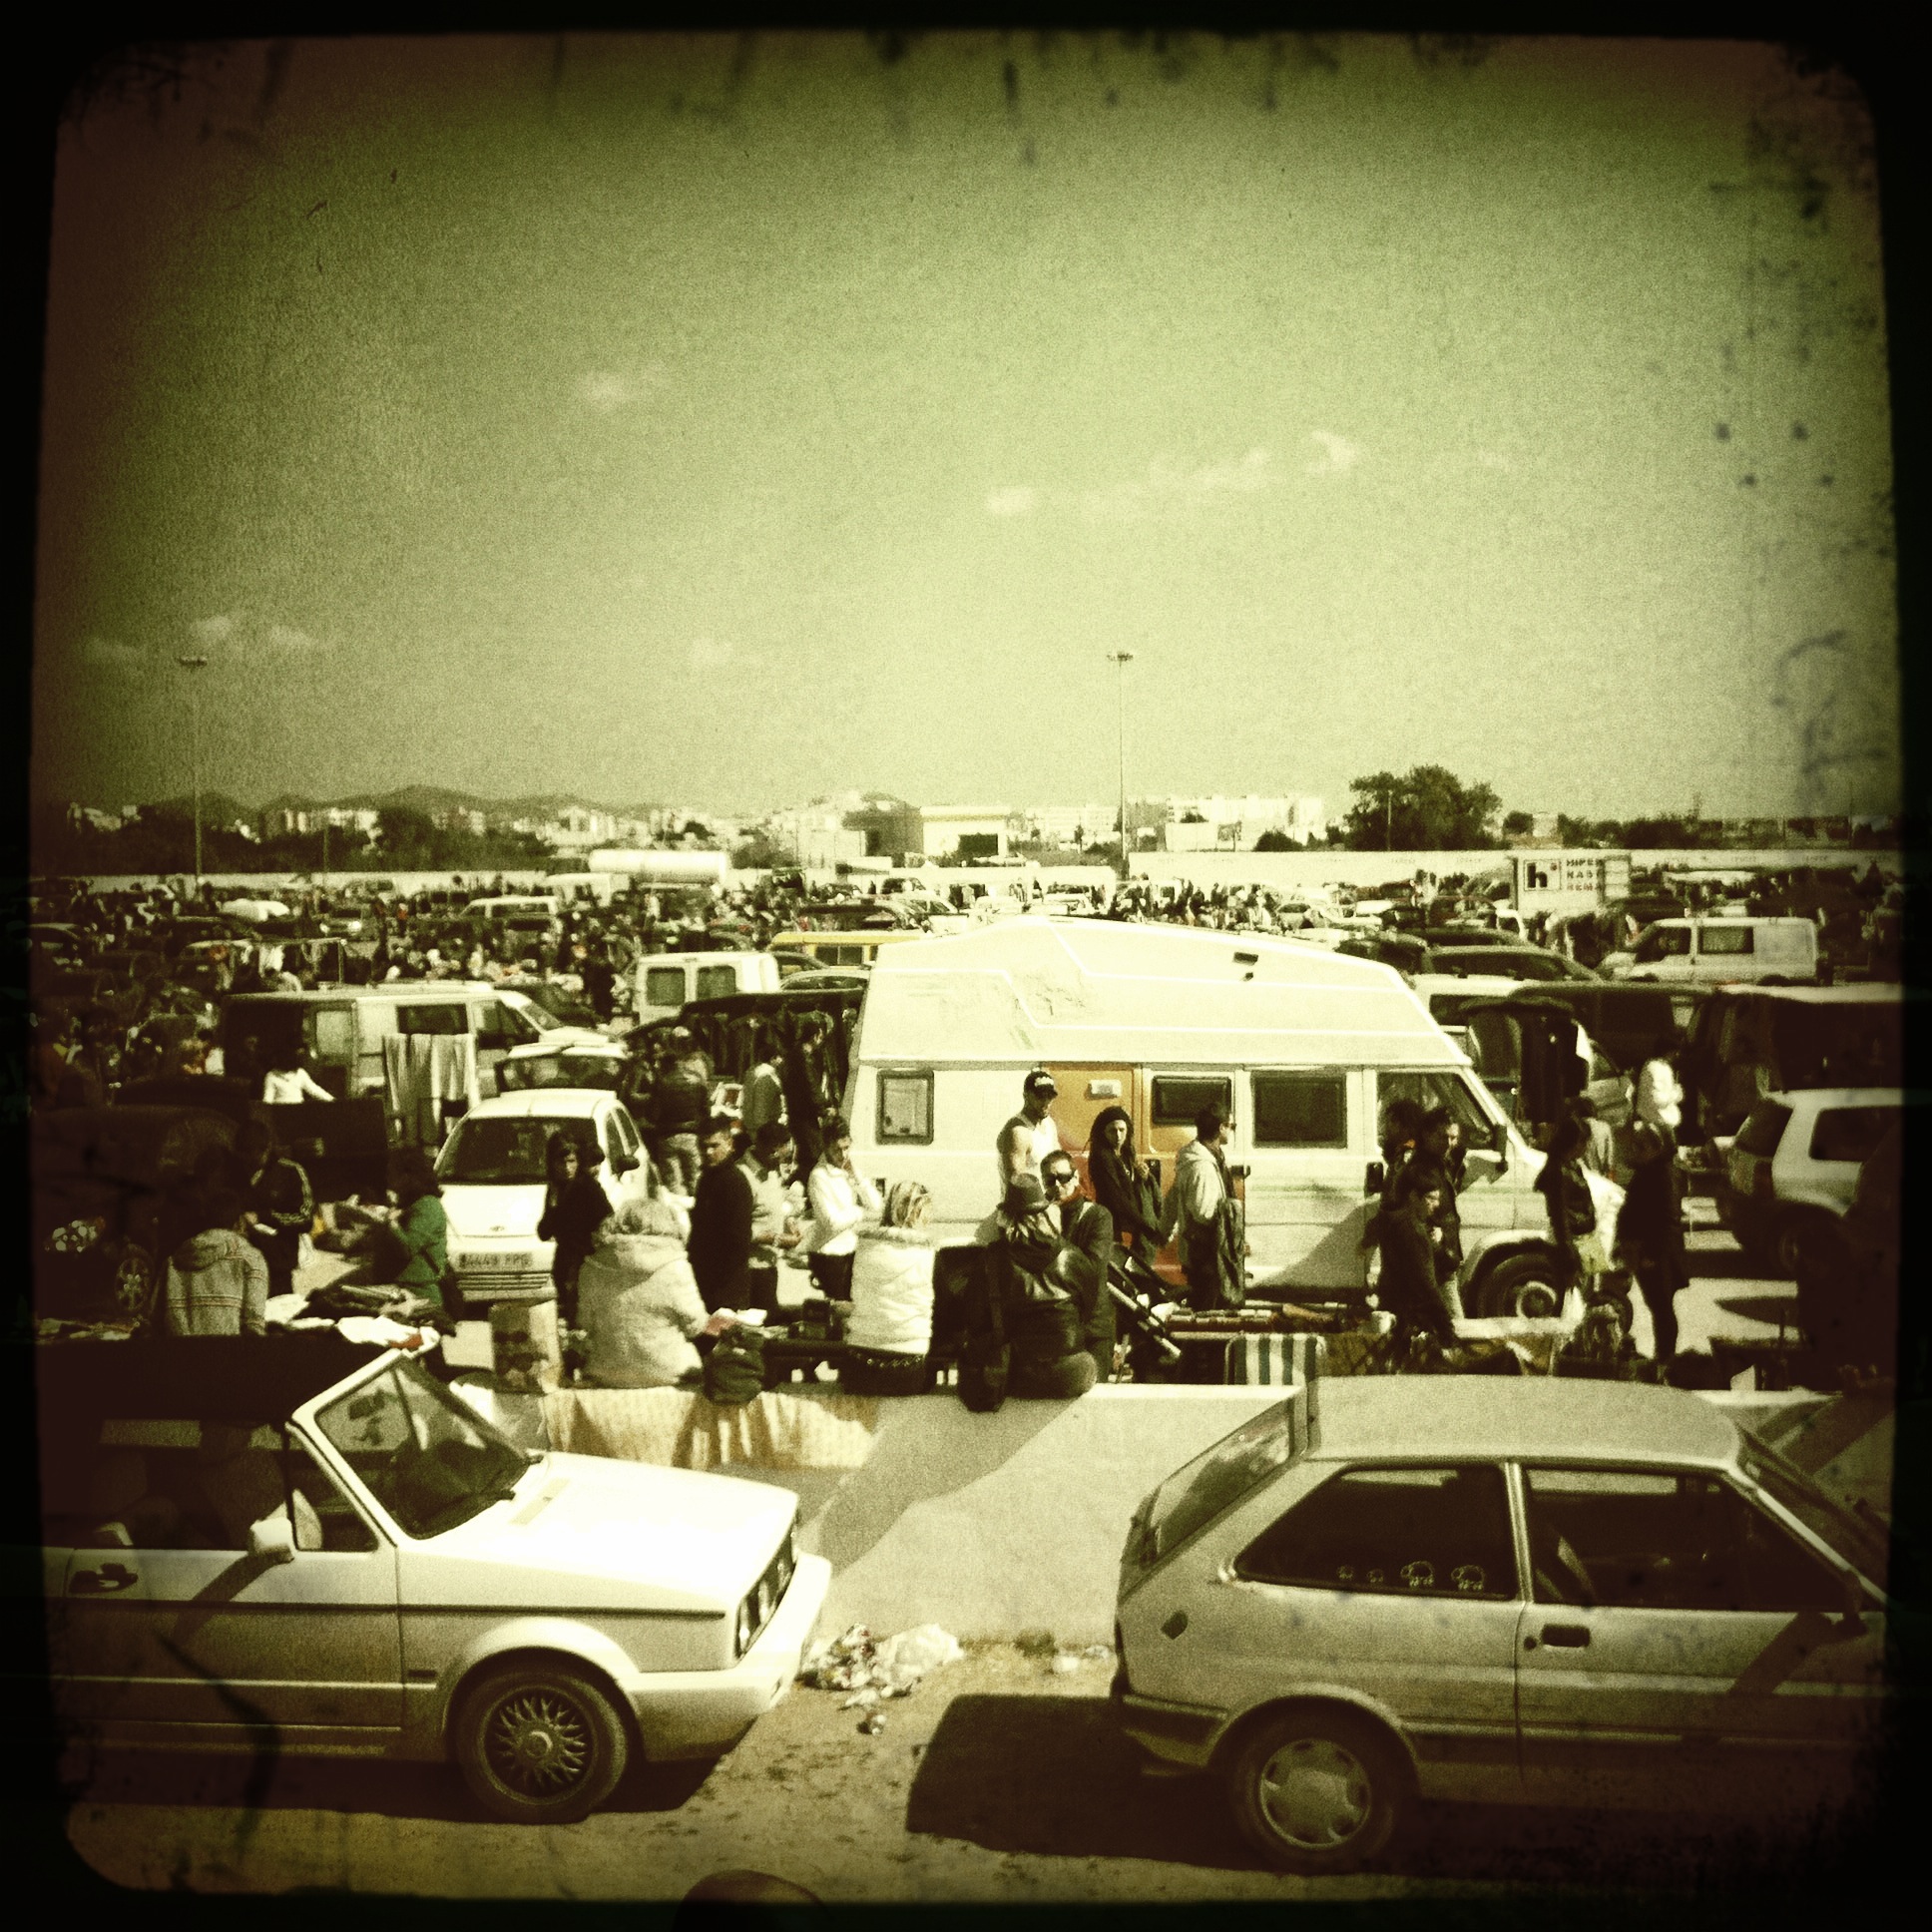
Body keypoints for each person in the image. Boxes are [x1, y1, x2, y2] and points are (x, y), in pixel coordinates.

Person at [575, 1197, 731, 1388]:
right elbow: (695, 1326)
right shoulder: (676, 1266)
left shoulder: (591, 1267)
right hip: (669, 1370)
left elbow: (584, 1322)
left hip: (607, 1371)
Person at [991, 1172, 1098, 1398]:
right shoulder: (1071, 1255)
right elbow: (1088, 1307)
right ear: (1046, 1214)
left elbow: (976, 1315)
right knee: (1088, 1363)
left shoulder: (994, 1258)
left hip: (1021, 1373)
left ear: (1006, 1217)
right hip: (1071, 1372)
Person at [842, 1181, 938, 1396]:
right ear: (920, 1213)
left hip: (859, 1365)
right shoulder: (930, 1255)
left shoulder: (861, 1249)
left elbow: (846, 1296)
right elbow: (943, 1307)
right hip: (907, 1368)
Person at [1617, 1122, 1689, 1360]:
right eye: (1636, 1145)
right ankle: (1663, 1355)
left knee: (1662, 1308)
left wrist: (1652, 1255)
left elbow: (1668, 1221)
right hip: (1646, 1252)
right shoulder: (1649, 1170)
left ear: (1658, 1148)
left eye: (1642, 1146)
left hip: (1658, 1255)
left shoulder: (1664, 1175)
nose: (1637, 1150)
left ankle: (1665, 1357)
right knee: (1657, 1307)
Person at [1042, 1151, 1117, 1377]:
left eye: (1063, 1177)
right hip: (1055, 1328)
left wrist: (1054, 1235)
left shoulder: (1097, 1216)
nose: (1057, 1185)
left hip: (1091, 1327)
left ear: (1075, 1178)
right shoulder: (1039, 1218)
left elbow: (1092, 1269)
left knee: (1095, 1393)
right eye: (1050, 1180)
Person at [1168, 1104, 1243, 1312]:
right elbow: (1203, 1212)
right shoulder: (1201, 1166)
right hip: (1207, 1254)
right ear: (1221, 1128)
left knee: (1206, 1306)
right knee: (1208, 1310)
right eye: (1231, 1126)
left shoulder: (1208, 1158)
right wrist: (1229, 1232)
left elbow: (1172, 1197)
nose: (1232, 1130)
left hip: (1206, 1252)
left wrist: (1164, 1230)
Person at [163, 1188, 268, 1337]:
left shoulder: (175, 1260)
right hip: (229, 1350)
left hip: (180, 1350)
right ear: (239, 1222)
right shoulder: (251, 1258)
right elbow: (254, 1324)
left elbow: (156, 1320)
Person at [1375, 1164, 1458, 1354]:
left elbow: (1447, 1261)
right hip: (1410, 1318)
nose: (1436, 1205)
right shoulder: (1413, 1231)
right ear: (1414, 1196)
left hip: (1393, 1311)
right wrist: (1447, 1330)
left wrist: (1440, 1245)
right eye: (1431, 1198)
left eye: (1438, 1199)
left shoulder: (1397, 1221)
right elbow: (1426, 1286)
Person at [537, 1130, 615, 1327]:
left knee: (583, 1323)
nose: (566, 1168)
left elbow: (608, 1222)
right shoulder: (556, 1189)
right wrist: (553, 1207)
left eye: (571, 1161)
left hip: (586, 1265)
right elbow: (544, 1232)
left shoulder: (589, 1188)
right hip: (564, 1266)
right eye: (561, 1162)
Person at [804, 1115, 882, 1301]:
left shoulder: (848, 1170)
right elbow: (832, 1223)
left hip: (850, 1249)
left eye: (846, 1148)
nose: (843, 1155)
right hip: (828, 1253)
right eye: (837, 1150)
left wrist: (857, 1178)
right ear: (826, 1148)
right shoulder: (819, 1176)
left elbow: (876, 1205)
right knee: (840, 1306)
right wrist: (859, 1212)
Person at [239, 1118, 313, 1302]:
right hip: (241, 1264)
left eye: (255, 1152)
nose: (250, 1158)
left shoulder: (291, 1172)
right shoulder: (234, 1173)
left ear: (267, 1147)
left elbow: (305, 1219)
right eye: (245, 1152)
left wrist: (263, 1217)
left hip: (277, 1265)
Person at [688, 1115, 757, 1312]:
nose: (708, 1152)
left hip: (726, 1288)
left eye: (714, 1146)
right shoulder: (706, 1179)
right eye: (703, 1146)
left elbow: (739, 1241)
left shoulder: (734, 1183)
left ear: (729, 1144)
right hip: (704, 1283)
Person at [739, 1121, 803, 1318]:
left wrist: (789, 1219)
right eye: (781, 1157)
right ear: (772, 1150)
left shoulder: (771, 1169)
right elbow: (738, 1229)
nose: (782, 1163)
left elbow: (777, 1199)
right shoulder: (742, 1177)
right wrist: (776, 1239)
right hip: (749, 1270)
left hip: (768, 1265)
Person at [1534, 1113, 1602, 1296]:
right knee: (1571, 1298)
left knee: (1585, 1296)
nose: (1587, 1147)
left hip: (1583, 1241)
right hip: (1570, 1245)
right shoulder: (1559, 1171)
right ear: (1574, 1142)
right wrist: (1570, 1261)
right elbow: (1560, 1218)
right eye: (1585, 1142)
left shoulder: (1573, 1166)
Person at [1087, 1106, 1166, 1255]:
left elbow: (1129, 1187)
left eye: (1121, 1130)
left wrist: (1143, 1176)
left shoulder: (1124, 1152)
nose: (1118, 1135)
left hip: (1126, 1222)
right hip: (1112, 1223)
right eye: (1112, 1131)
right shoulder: (1103, 1157)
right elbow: (1116, 1197)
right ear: (1103, 1132)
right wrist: (1145, 1227)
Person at [388, 1146, 450, 1309]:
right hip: (403, 1290)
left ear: (409, 1176)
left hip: (420, 1294)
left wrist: (392, 1223)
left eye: (395, 1173)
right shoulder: (411, 1204)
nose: (391, 1180)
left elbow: (408, 1248)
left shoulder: (427, 1206)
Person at [651, 1045, 712, 1197]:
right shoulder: (697, 1079)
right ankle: (698, 1207)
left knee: (673, 1182)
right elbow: (706, 1110)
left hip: (668, 1136)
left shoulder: (663, 1082)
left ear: (666, 1064)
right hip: (693, 1135)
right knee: (696, 1177)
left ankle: (678, 1208)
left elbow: (653, 1114)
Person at [996, 1071, 1063, 1192]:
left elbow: (1060, 1164)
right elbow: (1017, 1182)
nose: (1046, 1102)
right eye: (1040, 1096)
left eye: (1050, 1096)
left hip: (1048, 1200)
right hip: (1026, 1202)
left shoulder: (1049, 1124)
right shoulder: (1018, 1132)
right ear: (1026, 1096)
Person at [1635, 1032, 1685, 1142]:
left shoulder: (1664, 1067)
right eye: (1674, 1051)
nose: (1677, 1055)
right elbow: (1657, 1099)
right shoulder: (1654, 1068)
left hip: (1664, 1125)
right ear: (1667, 1051)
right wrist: (1675, 1094)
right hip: (1657, 1125)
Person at [261, 1049, 333, 1106]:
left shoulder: (300, 1073)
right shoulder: (271, 1076)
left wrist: (332, 1100)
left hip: (297, 1110)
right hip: (282, 1112)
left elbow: (314, 1090)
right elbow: (268, 1100)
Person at [1569, 1095, 1617, 1180]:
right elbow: (1611, 1162)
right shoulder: (1605, 1127)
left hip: (1583, 1179)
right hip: (1602, 1179)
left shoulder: (1576, 1127)